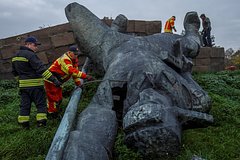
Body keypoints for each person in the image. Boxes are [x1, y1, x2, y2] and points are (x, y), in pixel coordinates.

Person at [12, 36, 62, 129]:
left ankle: (24, 126)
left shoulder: (15, 56)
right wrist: (55, 81)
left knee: (24, 106)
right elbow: (41, 70)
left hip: (23, 87)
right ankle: (41, 124)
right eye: (35, 45)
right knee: (41, 105)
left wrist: (20, 83)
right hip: (35, 86)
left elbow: (15, 73)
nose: (36, 47)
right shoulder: (31, 55)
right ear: (28, 44)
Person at [44, 45, 92, 118]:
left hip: (58, 80)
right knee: (53, 98)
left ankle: (54, 110)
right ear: (69, 52)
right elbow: (72, 71)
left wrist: (78, 84)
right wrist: (85, 76)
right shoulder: (65, 59)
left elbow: (75, 73)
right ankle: (51, 114)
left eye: (77, 54)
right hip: (51, 79)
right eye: (74, 54)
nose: (76, 55)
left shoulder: (74, 60)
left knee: (59, 98)